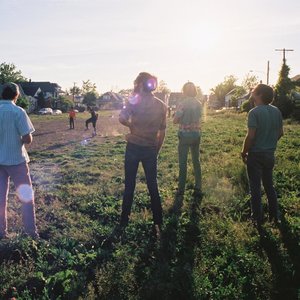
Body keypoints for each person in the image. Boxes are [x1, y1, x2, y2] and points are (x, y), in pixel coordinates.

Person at [118, 72, 167, 235]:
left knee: (129, 185)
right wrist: (156, 149)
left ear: (139, 84)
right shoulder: (162, 105)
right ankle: (158, 221)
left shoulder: (134, 100)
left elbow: (121, 118)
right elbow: (162, 132)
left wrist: (131, 126)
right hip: (150, 149)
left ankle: (124, 219)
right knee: (153, 185)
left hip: (133, 146)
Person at [241, 84, 283, 227]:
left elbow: (251, 136)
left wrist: (244, 151)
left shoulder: (254, 112)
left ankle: (257, 219)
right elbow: (280, 133)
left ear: (259, 95)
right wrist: (269, 143)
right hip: (270, 154)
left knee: (255, 187)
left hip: (256, 155)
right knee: (269, 185)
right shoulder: (277, 111)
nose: (252, 93)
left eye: (254, 92)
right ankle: (274, 215)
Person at [0, 83, 39, 239]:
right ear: (16, 95)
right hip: (16, 160)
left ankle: (1, 232)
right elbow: (27, 138)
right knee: (25, 197)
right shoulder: (18, 112)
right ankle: (31, 233)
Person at [173, 82, 202, 197]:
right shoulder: (199, 103)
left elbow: (175, 120)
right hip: (196, 134)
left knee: (183, 163)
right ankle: (198, 185)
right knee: (196, 161)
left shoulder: (182, 104)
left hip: (184, 135)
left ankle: (181, 188)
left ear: (184, 91)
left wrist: (178, 119)